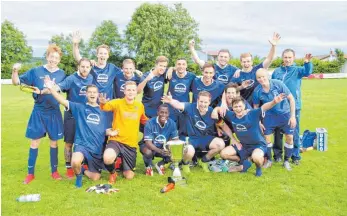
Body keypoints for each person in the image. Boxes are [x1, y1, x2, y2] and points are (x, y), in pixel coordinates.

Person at [44, 80, 116, 188]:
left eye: (94, 92)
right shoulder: (79, 108)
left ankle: (82, 170)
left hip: (96, 149)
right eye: (90, 92)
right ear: (86, 94)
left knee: (95, 177)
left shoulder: (104, 111)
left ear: (98, 94)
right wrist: (51, 89)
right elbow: (62, 100)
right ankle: (78, 177)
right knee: (75, 161)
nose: (92, 94)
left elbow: (103, 129)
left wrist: (110, 132)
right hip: (82, 145)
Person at [11, 44, 66, 184]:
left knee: (54, 143)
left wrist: (45, 90)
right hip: (39, 111)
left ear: (59, 59)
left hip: (54, 112)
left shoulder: (62, 74)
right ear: (47, 56)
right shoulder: (35, 71)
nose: (53, 60)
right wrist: (15, 71)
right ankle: (30, 174)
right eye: (51, 57)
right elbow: (16, 83)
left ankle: (54, 172)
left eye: (56, 58)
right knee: (34, 142)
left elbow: (57, 90)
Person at [212, 94, 286, 177]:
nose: (238, 109)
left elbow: (264, 107)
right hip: (243, 145)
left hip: (258, 145)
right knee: (223, 154)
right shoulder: (231, 115)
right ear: (232, 107)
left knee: (256, 157)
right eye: (235, 107)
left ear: (244, 106)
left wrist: (274, 102)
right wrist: (215, 110)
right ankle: (243, 162)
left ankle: (258, 167)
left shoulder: (252, 113)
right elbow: (220, 110)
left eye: (240, 106)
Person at [162, 91, 225, 173]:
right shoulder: (190, 107)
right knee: (190, 150)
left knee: (220, 144)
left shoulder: (211, 111)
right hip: (188, 138)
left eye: (205, 102)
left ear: (209, 102)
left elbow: (220, 122)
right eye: (201, 101)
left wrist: (218, 126)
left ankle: (204, 161)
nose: (203, 104)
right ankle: (185, 164)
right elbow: (178, 104)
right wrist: (171, 101)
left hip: (202, 138)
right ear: (197, 100)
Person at [99, 81, 148, 183]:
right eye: (128, 90)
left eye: (133, 90)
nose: (131, 92)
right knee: (107, 158)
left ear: (136, 92)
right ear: (124, 91)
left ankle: (121, 163)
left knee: (129, 176)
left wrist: (156, 122)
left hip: (130, 144)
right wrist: (103, 102)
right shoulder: (117, 103)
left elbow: (144, 120)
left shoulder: (139, 106)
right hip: (116, 140)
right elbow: (105, 107)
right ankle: (113, 172)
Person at [53, 58, 93, 179]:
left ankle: (84, 165)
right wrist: (51, 87)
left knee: (85, 141)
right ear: (78, 67)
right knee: (69, 143)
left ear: (90, 68)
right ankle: (69, 169)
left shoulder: (91, 78)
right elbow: (58, 88)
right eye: (82, 66)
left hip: (86, 115)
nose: (85, 69)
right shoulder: (71, 79)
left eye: (87, 67)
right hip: (71, 115)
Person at [271, 50, 313, 165]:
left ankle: (295, 156)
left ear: (294, 57)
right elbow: (272, 86)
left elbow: (307, 72)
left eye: (290, 57)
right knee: (278, 132)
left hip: (294, 107)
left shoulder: (298, 70)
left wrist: (307, 62)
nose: (287, 59)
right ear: (282, 58)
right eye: (285, 57)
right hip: (279, 107)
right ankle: (278, 155)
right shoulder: (277, 72)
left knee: (294, 132)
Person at [252, 68, 297, 171]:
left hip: (285, 115)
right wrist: (258, 121)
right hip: (268, 117)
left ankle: (286, 161)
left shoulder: (278, 84)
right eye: (259, 77)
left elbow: (291, 98)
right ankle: (269, 160)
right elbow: (256, 107)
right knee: (267, 139)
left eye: (263, 76)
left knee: (289, 137)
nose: (261, 79)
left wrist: (293, 116)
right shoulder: (257, 91)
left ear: (267, 76)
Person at [230, 32, 281, 106]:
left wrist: (273, 46)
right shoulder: (237, 74)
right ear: (241, 62)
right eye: (244, 61)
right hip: (244, 107)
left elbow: (269, 59)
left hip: (261, 105)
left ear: (252, 61)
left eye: (248, 61)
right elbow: (230, 90)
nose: (246, 63)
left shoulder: (258, 69)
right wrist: (241, 87)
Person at [141, 104, 179, 176]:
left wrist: (168, 149)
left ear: (168, 114)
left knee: (175, 152)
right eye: (161, 112)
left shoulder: (172, 124)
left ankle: (160, 164)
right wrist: (160, 151)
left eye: (166, 113)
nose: (163, 115)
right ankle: (148, 166)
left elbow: (175, 140)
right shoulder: (149, 123)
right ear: (157, 112)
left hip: (163, 147)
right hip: (150, 146)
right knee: (148, 152)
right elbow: (148, 143)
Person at [166, 58, 196, 122]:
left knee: (183, 130)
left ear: (186, 66)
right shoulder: (171, 73)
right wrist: (170, 68)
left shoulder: (192, 76)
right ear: (176, 66)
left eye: (183, 64)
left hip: (184, 107)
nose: (181, 66)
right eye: (179, 64)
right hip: (170, 108)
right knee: (171, 129)